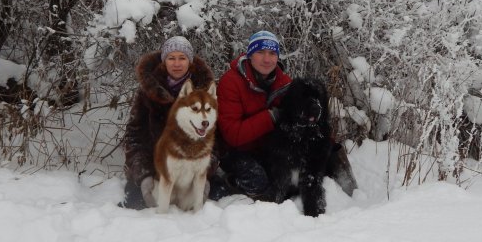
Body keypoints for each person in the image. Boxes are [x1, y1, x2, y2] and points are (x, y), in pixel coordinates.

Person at [216, 30, 357, 200]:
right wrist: (271, 117)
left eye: (272, 53)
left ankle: (353, 195)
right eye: (260, 52)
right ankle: (229, 184)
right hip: (237, 150)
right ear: (250, 54)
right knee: (260, 183)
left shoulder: (284, 83)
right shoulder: (231, 82)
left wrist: (325, 140)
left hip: (268, 147)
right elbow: (232, 135)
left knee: (327, 149)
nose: (267, 59)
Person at [120, 36, 216, 209]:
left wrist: (205, 173)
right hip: (154, 166)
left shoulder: (205, 92)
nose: (177, 64)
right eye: (171, 58)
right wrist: (144, 175)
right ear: (164, 61)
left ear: (190, 61)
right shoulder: (148, 92)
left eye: (182, 58)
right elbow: (134, 136)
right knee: (135, 206)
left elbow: (216, 137)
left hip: (192, 168)